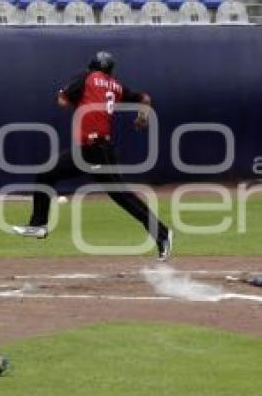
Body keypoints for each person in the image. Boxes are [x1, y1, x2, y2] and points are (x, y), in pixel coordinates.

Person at [11, 51, 173, 260]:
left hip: (96, 150)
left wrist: (76, 98)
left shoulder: (87, 77)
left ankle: (162, 234)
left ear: (93, 65)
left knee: (121, 196)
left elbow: (62, 100)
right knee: (46, 174)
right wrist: (142, 117)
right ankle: (38, 225)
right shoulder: (115, 85)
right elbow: (145, 99)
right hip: (89, 150)